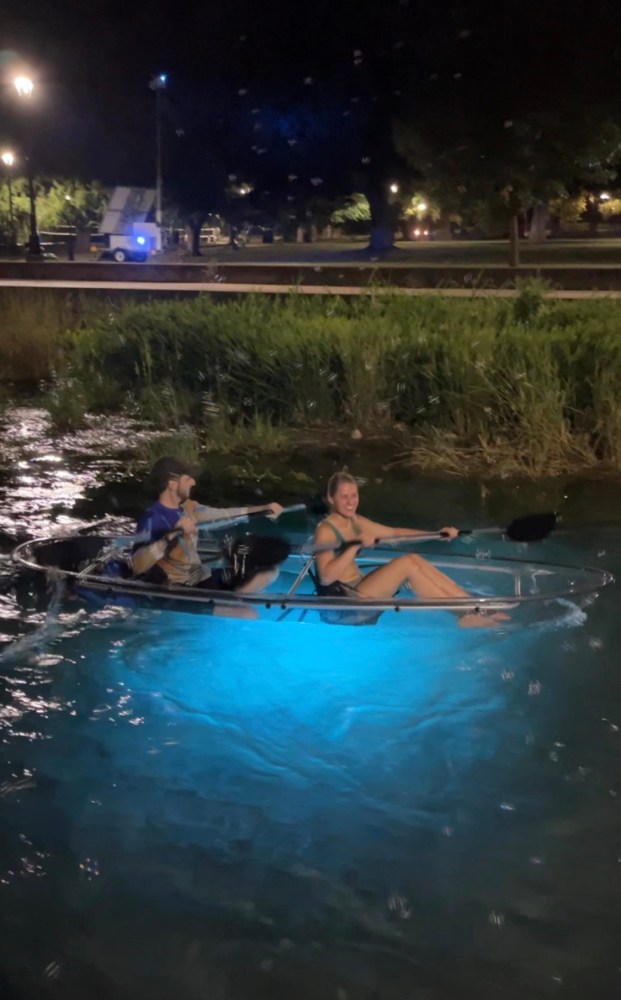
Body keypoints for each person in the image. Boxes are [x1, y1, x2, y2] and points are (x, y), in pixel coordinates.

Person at [314, 471, 509, 628]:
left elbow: (395, 533)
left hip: (356, 589)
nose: (351, 502)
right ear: (331, 498)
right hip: (342, 607)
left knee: (413, 559)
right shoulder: (325, 530)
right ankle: (463, 616)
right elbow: (326, 578)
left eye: (354, 495)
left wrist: (437, 534)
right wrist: (355, 546)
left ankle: (475, 609)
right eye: (344, 497)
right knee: (406, 564)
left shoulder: (355, 521)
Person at [132, 456, 285, 592]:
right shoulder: (152, 518)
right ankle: (231, 606)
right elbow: (137, 566)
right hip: (179, 587)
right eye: (188, 479)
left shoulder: (189, 507)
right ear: (172, 484)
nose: (193, 482)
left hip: (201, 579)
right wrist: (172, 534)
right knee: (247, 609)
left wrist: (263, 509)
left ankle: (233, 601)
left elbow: (224, 515)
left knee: (269, 572)